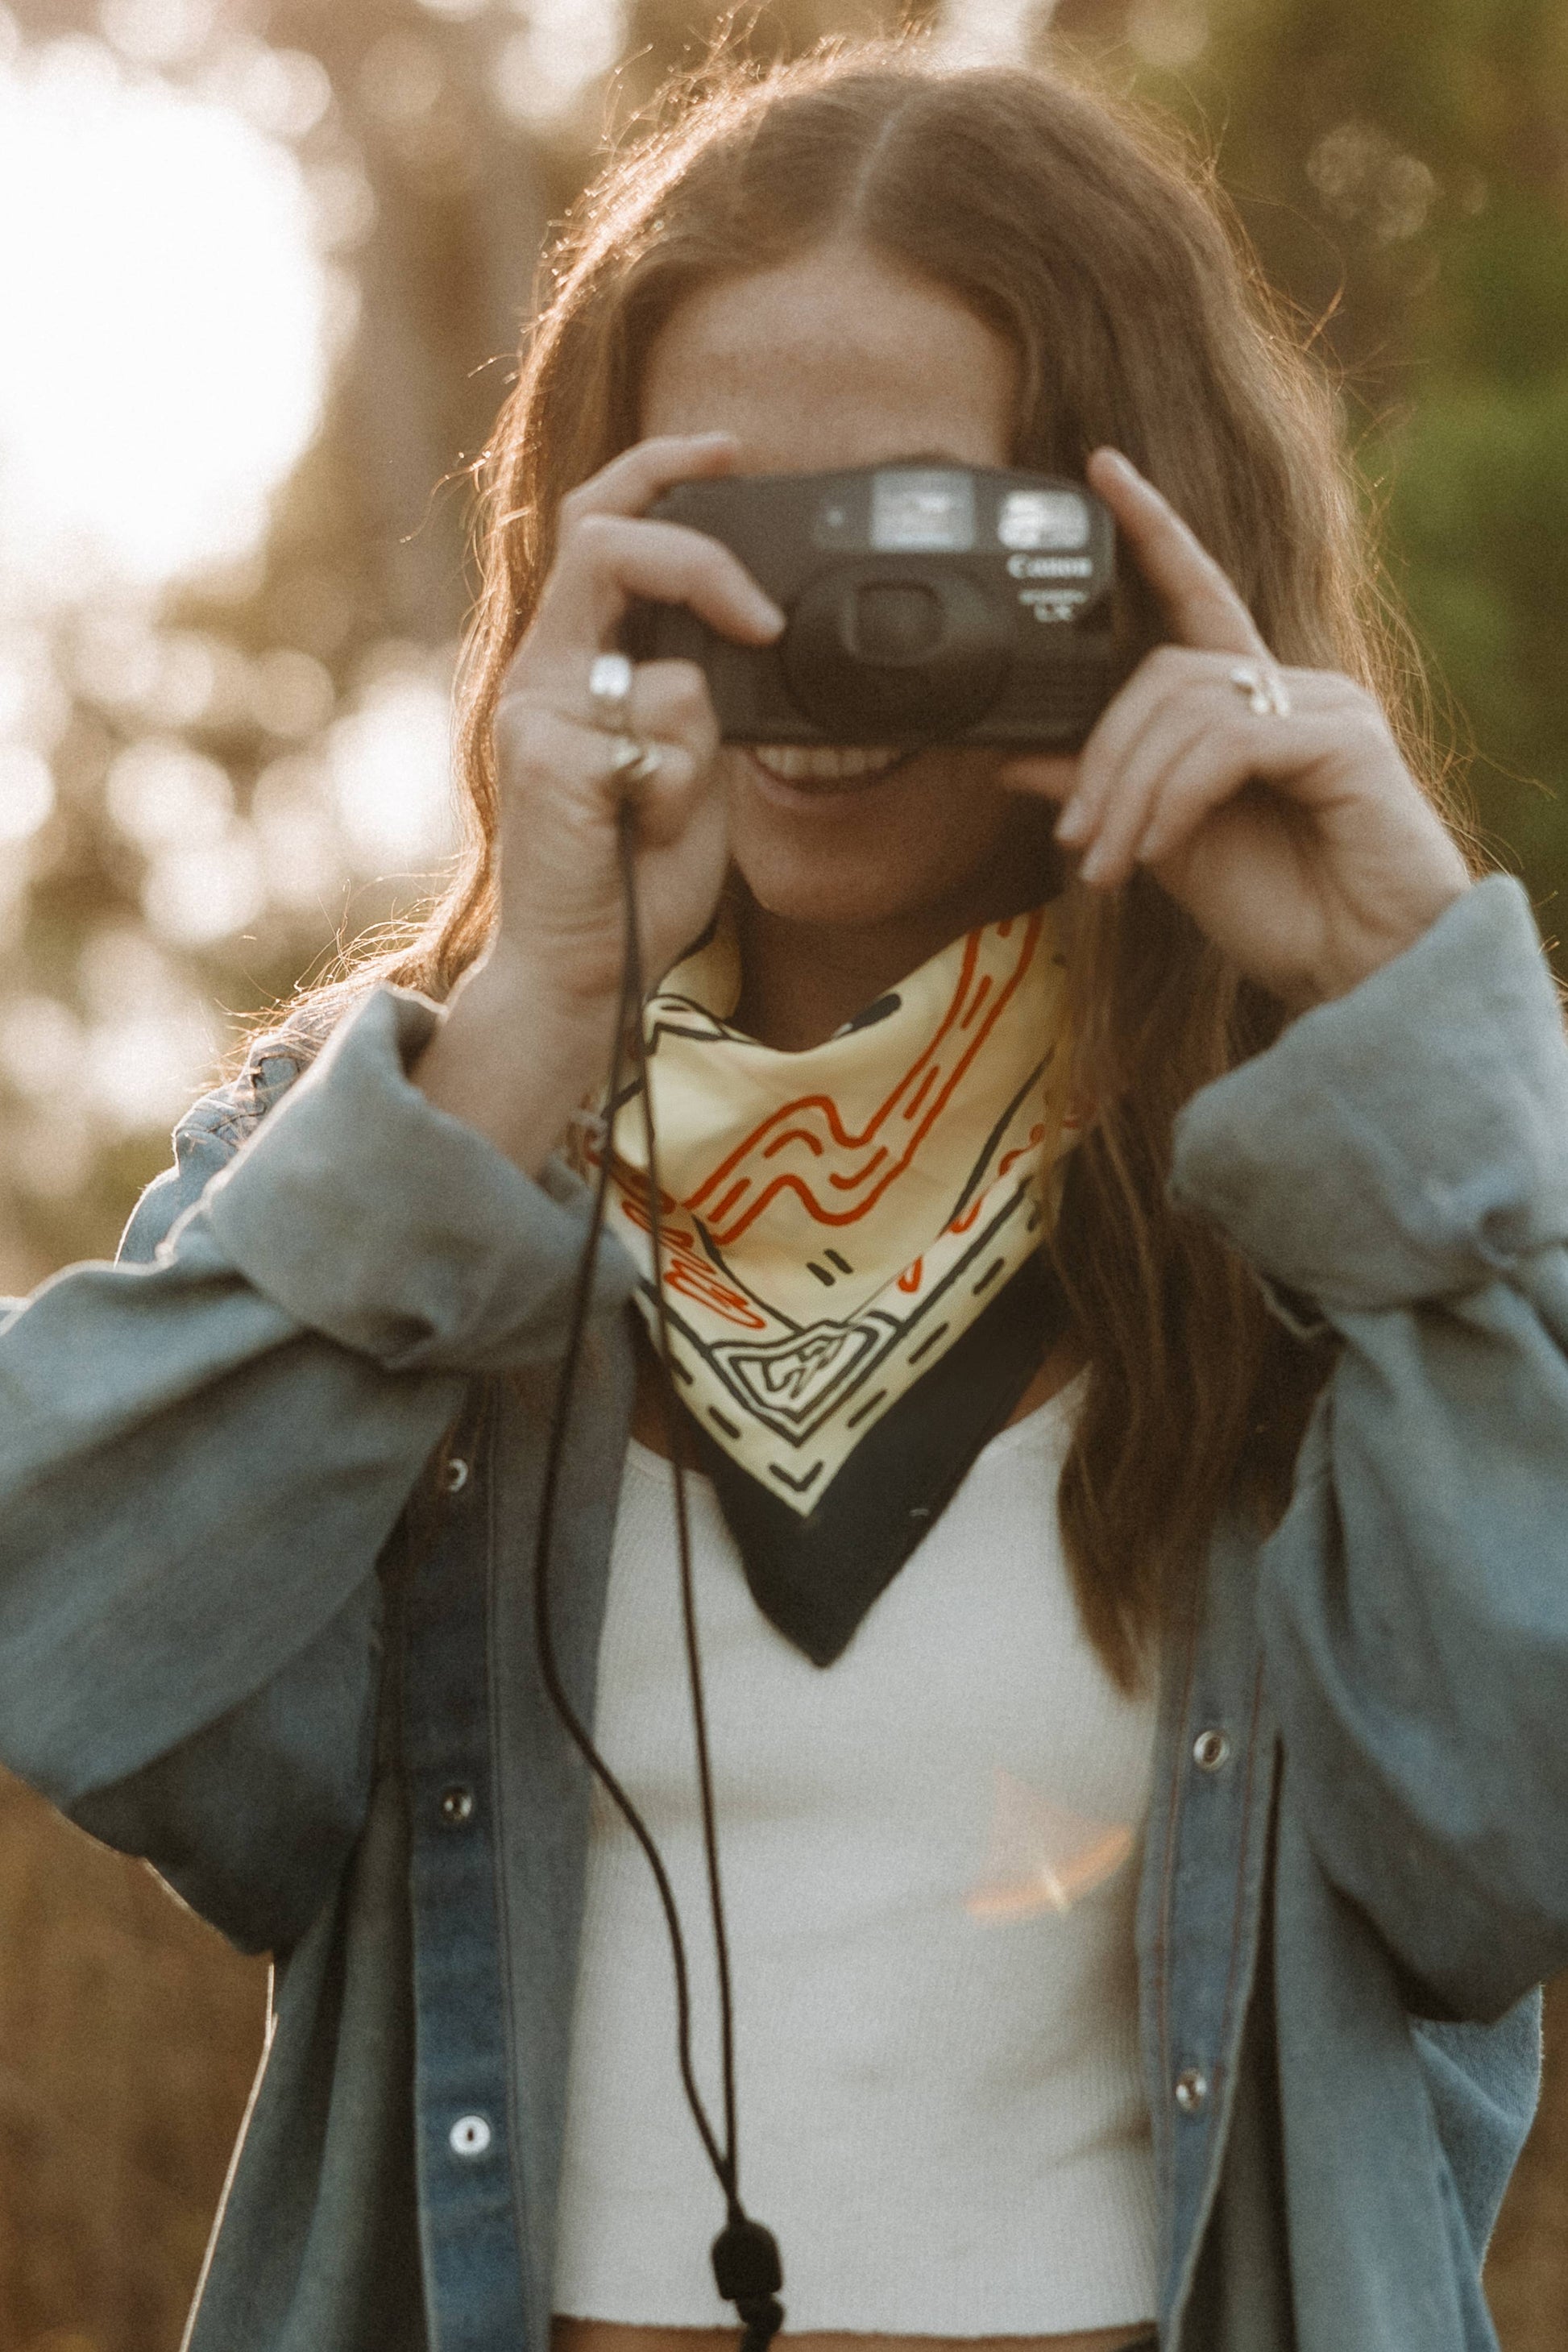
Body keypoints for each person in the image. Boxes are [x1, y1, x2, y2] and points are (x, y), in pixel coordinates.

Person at [2, 39, 1566, 2352]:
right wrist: (525, 1034)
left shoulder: (1334, 1213)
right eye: (737, 545)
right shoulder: (395, 1171)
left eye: (918, 546)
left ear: (1136, 553)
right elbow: (81, 1655)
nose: (819, 643)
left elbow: (1497, 1862)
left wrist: (1397, 1019)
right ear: (579, 564)